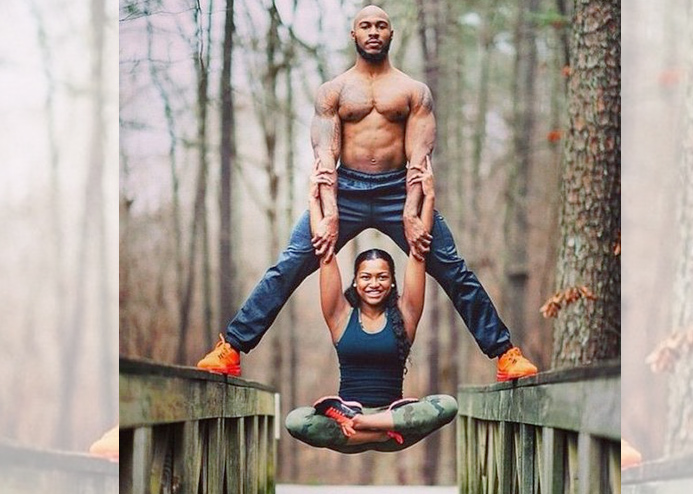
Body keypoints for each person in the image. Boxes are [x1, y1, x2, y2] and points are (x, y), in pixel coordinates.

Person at [197, 4, 537, 382]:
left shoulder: (413, 92)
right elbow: (324, 159)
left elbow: (420, 159)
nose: (373, 31)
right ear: (354, 35)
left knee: (451, 267)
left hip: (397, 189)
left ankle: (505, 354)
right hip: (346, 189)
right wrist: (330, 214)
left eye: (380, 26)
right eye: (365, 26)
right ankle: (231, 347)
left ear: (391, 34)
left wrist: (412, 211)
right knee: (292, 262)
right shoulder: (334, 91)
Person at [284, 159, 457, 453]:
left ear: (392, 282)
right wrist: (315, 200)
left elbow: (419, 252)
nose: (373, 283)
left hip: (391, 417)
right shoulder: (340, 316)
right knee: (295, 420)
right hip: (352, 425)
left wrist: (428, 197)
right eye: (366, 276)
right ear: (356, 282)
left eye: (381, 277)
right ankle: (376, 431)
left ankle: (370, 426)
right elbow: (324, 252)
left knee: (447, 405)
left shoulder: (405, 315)